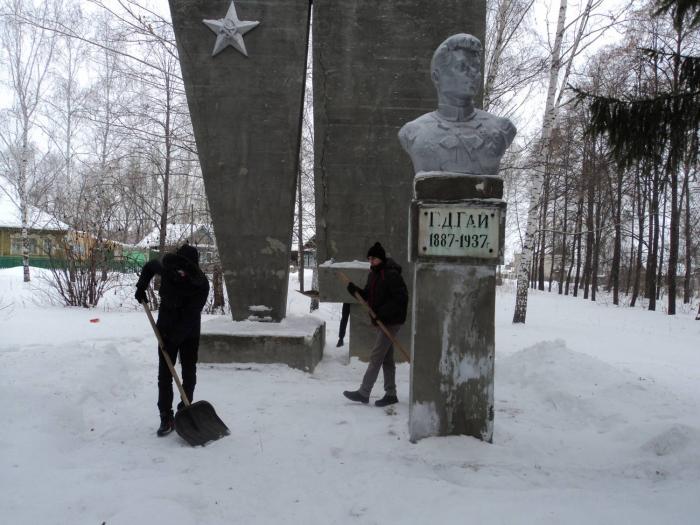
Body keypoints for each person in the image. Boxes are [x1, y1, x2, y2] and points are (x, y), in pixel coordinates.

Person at [398, 33, 516, 176]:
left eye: (476, 67)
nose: (473, 74)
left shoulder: (500, 129)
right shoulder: (413, 132)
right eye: (462, 67)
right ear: (437, 77)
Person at [135, 243, 210, 436]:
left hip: (189, 331)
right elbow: (151, 266)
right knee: (165, 375)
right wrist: (141, 285)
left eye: (185, 270)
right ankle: (165, 416)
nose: (181, 273)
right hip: (166, 327)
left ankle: (185, 405)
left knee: (188, 369)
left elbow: (191, 316)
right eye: (179, 269)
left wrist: (174, 340)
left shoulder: (201, 284)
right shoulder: (169, 269)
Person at [343, 242, 408, 407]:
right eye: (369, 258)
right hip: (382, 320)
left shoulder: (391, 274)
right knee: (386, 359)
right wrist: (354, 290)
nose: (371, 261)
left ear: (381, 258)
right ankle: (391, 394)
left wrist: (382, 313)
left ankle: (364, 393)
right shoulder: (373, 274)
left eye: (373, 258)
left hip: (392, 320)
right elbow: (367, 296)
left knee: (376, 356)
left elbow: (401, 298)